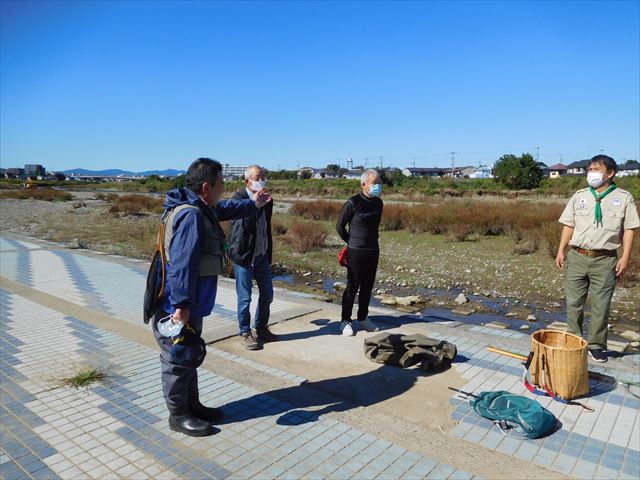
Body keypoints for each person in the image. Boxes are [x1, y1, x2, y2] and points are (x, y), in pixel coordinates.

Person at [153, 158, 271, 436]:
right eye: (220, 184)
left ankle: (192, 405)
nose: (223, 189)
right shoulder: (192, 215)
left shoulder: (200, 208)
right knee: (177, 357)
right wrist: (181, 306)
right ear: (207, 187)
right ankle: (178, 414)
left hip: (192, 302)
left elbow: (227, 208)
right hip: (179, 304)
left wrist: (254, 204)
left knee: (189, 354)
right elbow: (182, 264)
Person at [556, 155, 639, 363]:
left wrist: (625, 257)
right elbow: (569, 225)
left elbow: (629, 230)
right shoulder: (580, 195)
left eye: (595, 169)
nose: (590, 173)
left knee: (601, 305)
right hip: (577, 256)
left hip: (605, 259)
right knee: (574, 302)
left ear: (609, 173)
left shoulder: (624, 197)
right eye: (589, 169)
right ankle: (574, 340)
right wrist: (560, 250)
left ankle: (596, 346)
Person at [228, 165, 278, 350]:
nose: (262, 180)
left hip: (261, 255)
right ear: (247, 181)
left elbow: (266, 226)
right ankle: (245, 331)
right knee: (245, 298)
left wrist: (268, 252)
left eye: (263, 176)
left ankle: (261, 328)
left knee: (267, 294)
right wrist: (255, 205)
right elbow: (241, 227)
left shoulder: (267, 199)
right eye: (258, 177)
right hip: (244, 256)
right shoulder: (238, 199)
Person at [336, 169, 384, 336]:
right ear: (364, 184)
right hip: (355, 251)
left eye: (379, 182)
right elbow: (339, 226)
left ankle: (363, 319)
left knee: (367, 287)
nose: (378, 186)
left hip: (373, 250)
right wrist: (351, 242)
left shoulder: (379, 203)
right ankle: (345, 321)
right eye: (374, 183)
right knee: (352, 286)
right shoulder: (352, 202)